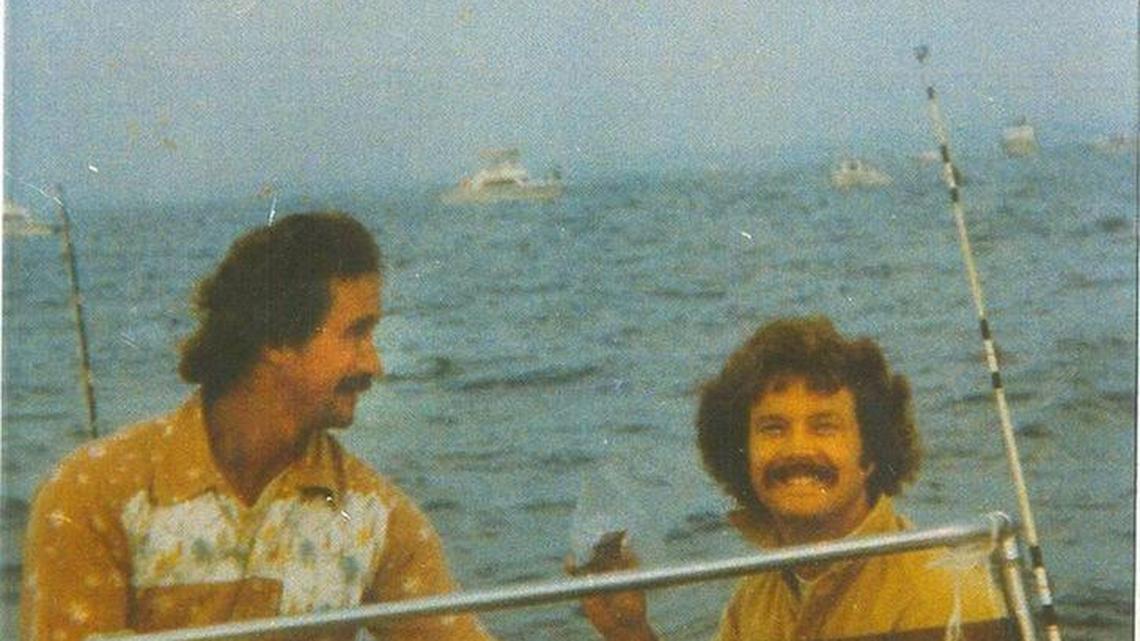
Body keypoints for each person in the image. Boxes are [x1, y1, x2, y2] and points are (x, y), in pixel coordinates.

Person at [21, 212, 496, 641]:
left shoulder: (375, 515)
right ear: (276, 339)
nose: (374, 364)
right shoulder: (95, 494)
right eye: (356, 333)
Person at [574, 316, 1015, 641]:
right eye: (773, 429)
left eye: (824, 427)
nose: (797, 450)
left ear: (871, 454)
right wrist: (630, 633)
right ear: (742, 454)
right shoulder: (756, 594)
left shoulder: (940, 593)